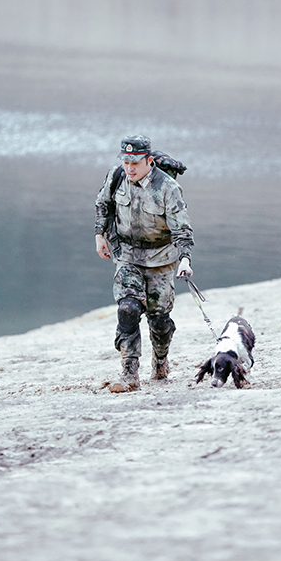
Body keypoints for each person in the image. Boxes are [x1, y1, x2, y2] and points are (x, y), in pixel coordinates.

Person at [95, 135, 194, 392]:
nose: (130, 168)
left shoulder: (168, 188)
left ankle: (161, 360)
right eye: (126, 162)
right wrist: (99, 235)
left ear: (149, 161)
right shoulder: (116, 178)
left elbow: (182, 230)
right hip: (127, 255)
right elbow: (102, 205)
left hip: (161, 260)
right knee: (127, 309)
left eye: (135, 163)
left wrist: (184, 259)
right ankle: (129, 375)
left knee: (159, 320)